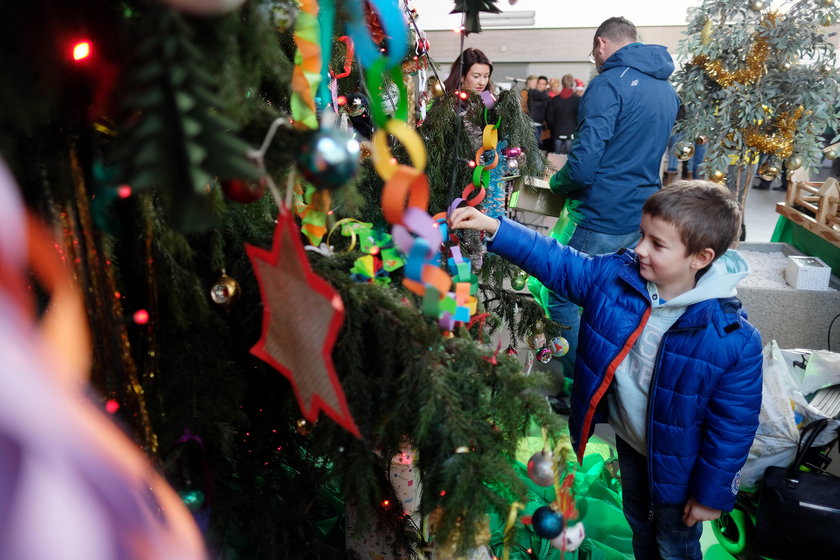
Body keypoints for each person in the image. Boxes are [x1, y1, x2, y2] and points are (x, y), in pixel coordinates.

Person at [450, 181, 763, 560]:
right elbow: (560, 262)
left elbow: (733, 428)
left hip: (683, 467)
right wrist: (496, 228)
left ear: (700, 257)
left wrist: (711, 495)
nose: (639, 249)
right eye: (643, 235)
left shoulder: (733, 339)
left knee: (674, 543)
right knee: (639, 525)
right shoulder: (619, 278)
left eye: (657, 244)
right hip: (632, 444)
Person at [543, 16, 680, 387]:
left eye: (594, 52)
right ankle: (614, 380)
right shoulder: (666, 90)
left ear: (601, 44)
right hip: (642, 215)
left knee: (563, 296)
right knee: (617, 300)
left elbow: (583, 166)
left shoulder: (608, 84)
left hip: (600, 213)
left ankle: (580, 387)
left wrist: (555, 183)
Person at [544, 74, 579, 155]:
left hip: (557, 131)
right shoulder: (577, 100)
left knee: (556, 159)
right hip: (571, 131)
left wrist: (553, 126)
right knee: (569, 159)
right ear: (572, 84)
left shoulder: (555, 100)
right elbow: (579, 116)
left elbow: (549, 117)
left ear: (562, 84)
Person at [527, 75, 550, 147]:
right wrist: (548, 89)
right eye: (539, 83)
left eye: (543, 84)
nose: (540, 86)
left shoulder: (544, 95)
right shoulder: (533, 92)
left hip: (540, 124)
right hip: (533, 123)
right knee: (534, 146)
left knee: (538, 146)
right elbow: (544, 96)